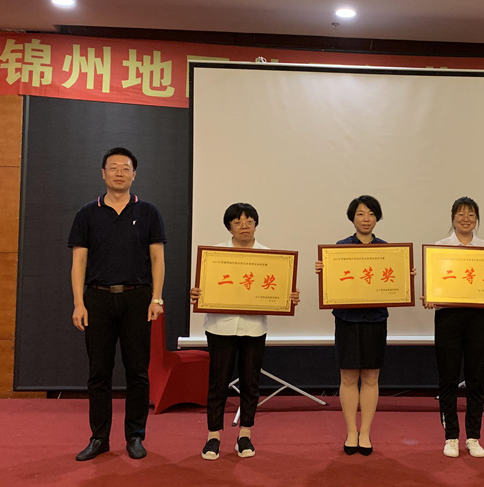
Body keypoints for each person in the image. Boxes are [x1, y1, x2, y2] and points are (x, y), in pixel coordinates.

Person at [69, 147, 165, 461]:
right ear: (103, 173)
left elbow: (157, 259)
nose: (119, 173)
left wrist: (156, 297)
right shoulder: (87, 214)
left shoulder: (148, 212)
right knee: (99, 373)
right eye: (113, 168)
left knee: (137, 371)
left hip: (137, 298)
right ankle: (99, 438)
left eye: (125, 168)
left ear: (134, 175)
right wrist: (79, 303)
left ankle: (135, 436)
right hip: (97, 299)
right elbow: (78, 262)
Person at [190, 203, 300, 460]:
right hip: (220, 327)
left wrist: (289, 296)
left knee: (250, 382)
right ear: (229, 226)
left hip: (253, 328)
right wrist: (197, 293)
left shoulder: (271, 258)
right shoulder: (214, 256)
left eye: (249, 221)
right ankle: (213, 436)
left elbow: (279, 291)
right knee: (218, 382)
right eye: (238, 221)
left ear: (256, 225)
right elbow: (203, 290)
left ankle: (245, 434)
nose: (244, 226)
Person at [315, 195, 412, 457]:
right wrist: (325, 270)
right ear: (352, 218)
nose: (366, 219)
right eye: (360, 213)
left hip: (375, 319)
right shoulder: (339, 248)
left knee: (371, 378)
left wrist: (404, 277)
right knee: (348, 377)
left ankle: (365, 432)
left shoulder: (388, 250)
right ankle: (351, 431)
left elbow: (394, 283)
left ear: (377, 218)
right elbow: (334, 282)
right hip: (347, 319)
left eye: (370, 214)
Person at [423, 196, 484, 459]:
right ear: (452, 218)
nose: (466, 219)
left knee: (476, 379)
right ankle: (451, 436)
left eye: (471, 215)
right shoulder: (439, 248)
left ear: (477, 219)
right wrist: (430, 297)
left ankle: (473, 437)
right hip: (448, 318)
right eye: (461, 214)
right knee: (448, 379)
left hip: (479, 319)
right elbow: (434, 284)